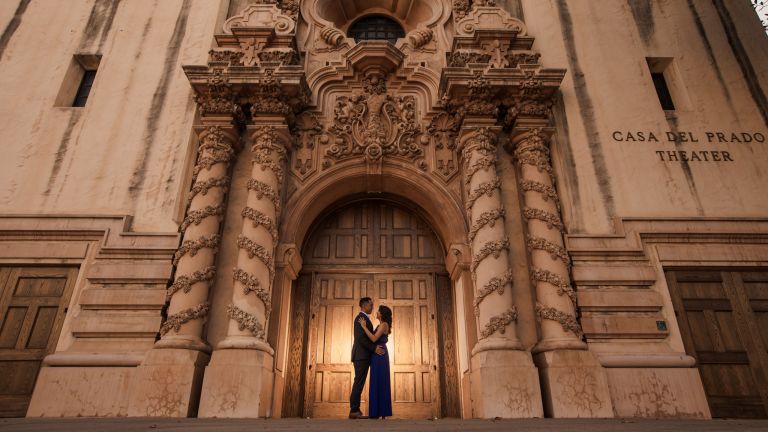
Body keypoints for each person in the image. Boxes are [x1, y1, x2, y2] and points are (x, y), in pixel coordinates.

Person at [349, 297, 384, 419]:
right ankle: (354, 410)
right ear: (364, 305)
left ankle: (355, 410)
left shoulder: (364, 318)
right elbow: (361, 338)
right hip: (361, 356)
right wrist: (374, 348)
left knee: (359, 382)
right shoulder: (360, 318)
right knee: (358, 382)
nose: (372, 307)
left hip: (364, 356)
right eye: (371, 305)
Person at [357, 305, 393, 419]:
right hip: (376, 355)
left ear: (381, 314)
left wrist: (363, 327)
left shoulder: (384, 325)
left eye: (378, 311)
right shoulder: (380, 325)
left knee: (381, 381)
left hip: (380, 355)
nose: (376, 312)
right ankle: (376, 412)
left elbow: (373, 338)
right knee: (376, 381)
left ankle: (381, 411)